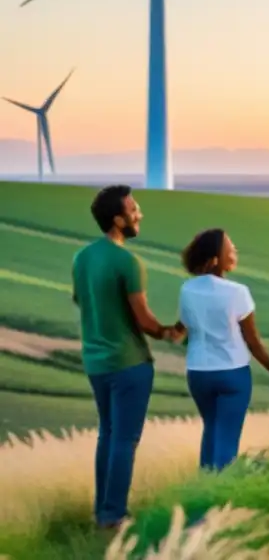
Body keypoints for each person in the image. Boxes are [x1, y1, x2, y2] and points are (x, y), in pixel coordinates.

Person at [71, 185, 182, 530]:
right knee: (124, 439)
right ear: (118, 220)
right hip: (129, 362)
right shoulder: (128, 262)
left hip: (96, 361)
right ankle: (114, 515)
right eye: (134, 210)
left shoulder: (82, 257)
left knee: (108, 433)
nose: (139, 215)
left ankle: (101, 509)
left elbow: (80, 300)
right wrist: (170, 332)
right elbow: (144, 320)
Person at [176, 229, 269, 472]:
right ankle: (219, 496)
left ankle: (204, 490)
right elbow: (253, 342)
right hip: (233, 373)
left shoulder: (187, 290)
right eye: (230, 250)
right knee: (227, 439)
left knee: (211, 429)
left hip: (199, 373)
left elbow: (186, 331)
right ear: (214, 259)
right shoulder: (237, 292)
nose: (235, 253)